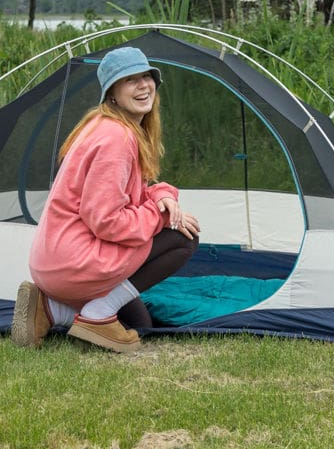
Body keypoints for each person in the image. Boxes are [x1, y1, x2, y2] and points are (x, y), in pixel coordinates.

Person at [11, 46, 200, 353]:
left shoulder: (106, 127)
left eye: (147, 77)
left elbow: (134, 195)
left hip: (55, 262)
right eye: (130, 80)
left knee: (140, 324)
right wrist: (163, 217)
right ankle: (96, 317)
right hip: (75, 260)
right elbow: (107, 221)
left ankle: (48, 309)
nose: (143, 86)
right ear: (112, 92)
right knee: (182, 238)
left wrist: (163, 195)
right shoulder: (117, 138)